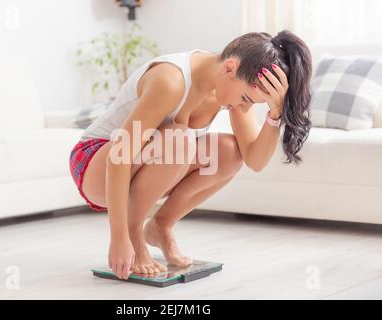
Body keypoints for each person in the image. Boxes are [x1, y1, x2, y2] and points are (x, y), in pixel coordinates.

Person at [69, 29, 313, 280]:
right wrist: (119, 238)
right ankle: (136, 235)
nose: (244, 107)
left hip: (140, 166)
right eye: (245, 98)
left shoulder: (227, 85)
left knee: (229, 152)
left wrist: (276, 113)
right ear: (230, 68)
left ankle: (160, 226)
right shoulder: (170, 80)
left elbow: (255, 160)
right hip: (96, 162)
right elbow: (118, 157)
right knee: (180, 139)